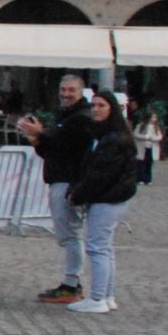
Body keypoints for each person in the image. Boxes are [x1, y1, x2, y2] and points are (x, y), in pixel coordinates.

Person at [17, 75, 97, 304]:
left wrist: (40, 134)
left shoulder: (81, 118)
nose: (66, 94)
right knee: (67, 233)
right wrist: (37, 138)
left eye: (71, 90)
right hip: (58, 179)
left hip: (69, 181)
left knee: (70, 233)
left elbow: (63, 145)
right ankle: (71, 282)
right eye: (63, 89)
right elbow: (52, 150)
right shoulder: (66, 116)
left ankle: (72, 284)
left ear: (81, 92)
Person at [66, 90, 137, 314]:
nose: (96, 109)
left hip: (108, 198)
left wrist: (78, 194)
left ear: (111, 109)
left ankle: (97, 297)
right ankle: (106, 295)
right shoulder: (104, 135)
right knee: (105, 248)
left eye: (101, 106)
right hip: (110, 196)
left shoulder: (113, 138)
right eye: (94, 105)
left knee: (97, 247)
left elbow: (100, 174)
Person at [132, 111, 163, 186]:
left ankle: (148, 179)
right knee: (141, 163)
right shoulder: (140, 125)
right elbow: (135, 134)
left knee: (149, 163)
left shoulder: (156, 127)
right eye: (153, 117)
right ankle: (140, 178)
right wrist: (145, 137)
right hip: (143, 147)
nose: (154, 119)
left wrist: (153, 138)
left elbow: (160, 136)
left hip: (151, 148)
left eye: (155, 117)